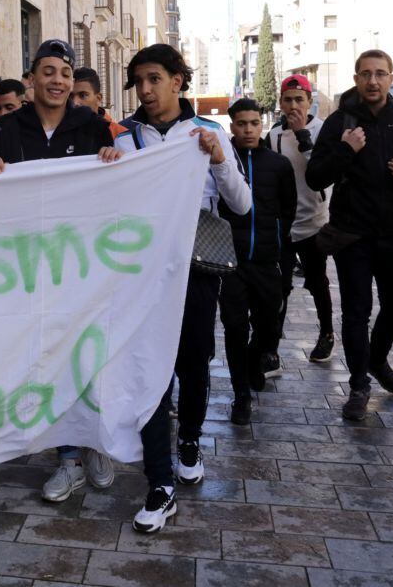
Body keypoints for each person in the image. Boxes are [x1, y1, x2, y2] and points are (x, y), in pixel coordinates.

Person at [100, 44, 251, 533]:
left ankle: (189, 439)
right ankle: (159, 481)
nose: (145, 90)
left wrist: (219, 162)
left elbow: (242, 204)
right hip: (140, 272)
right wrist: (103, 167)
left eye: (153, 79)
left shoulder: (208, 133)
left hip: (195, 269)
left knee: (192, 360)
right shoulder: (123, 136)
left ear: (177, 81)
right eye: (138, 81)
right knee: (149, 366)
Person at [0, 39, 118, 501]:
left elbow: (112, 192)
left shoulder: (94, 126)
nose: (57, 80)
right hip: (28, 267)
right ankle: (67, 457)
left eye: (65, 73)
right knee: (47, 359)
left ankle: (94, 441)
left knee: (90, 355)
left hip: (81, 264)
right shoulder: (6, 128)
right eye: (48, 71)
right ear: (32, 77)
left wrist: (114, 164)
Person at [306, 50, 393, 420]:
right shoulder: (340, 122)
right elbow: (316, 176)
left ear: (391, 78)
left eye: (380, 74)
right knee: (356, 313)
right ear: (356, 78)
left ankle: (377, 360)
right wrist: (347, 151)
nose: (373, 81)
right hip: (353, 236)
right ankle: (359, 383)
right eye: (366, 74)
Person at [218, 99, 297, 425]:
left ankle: (253, 363)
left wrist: (280, 251)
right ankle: (240, 395)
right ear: (232, 125)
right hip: (232, 263)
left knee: (268, 327)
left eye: (253, 123)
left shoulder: (278, 165)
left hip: (266, 261)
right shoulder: (222, 162)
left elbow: (288, 211)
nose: (248, 129)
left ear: (261, 124)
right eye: (241, 123)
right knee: (235, 328)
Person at [266, 75, 336, 364]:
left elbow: (321, 171)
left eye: (299, 99)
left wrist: (302, 134)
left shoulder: (322, 131)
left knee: (317, 281)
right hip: (284, 224)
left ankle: (327, 333)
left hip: (314, 222)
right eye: (288, 99)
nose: (293, 105)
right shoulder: (273, 135)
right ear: (280, 102)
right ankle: (271, 347)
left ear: (309, 101)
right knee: (279, 285)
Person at [72, 67, 127, 138]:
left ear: (98, 98)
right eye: (70, 96)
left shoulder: (122, 136)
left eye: (83, 95)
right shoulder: (59, 132)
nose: (75, 102)